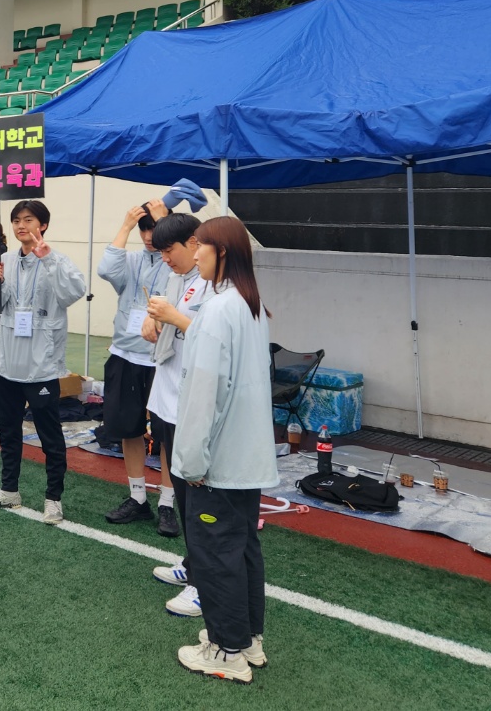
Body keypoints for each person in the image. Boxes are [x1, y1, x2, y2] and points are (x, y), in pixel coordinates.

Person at [171, 216, 277, 684]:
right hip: (246, 458)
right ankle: (246, 639)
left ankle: (226, 649)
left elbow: (204, 394)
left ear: (223, 253)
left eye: (202, 246)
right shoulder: (250, 306)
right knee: (242, 549)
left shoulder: (217, 311)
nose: (195, 254)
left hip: (220, 460)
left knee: (216, 555)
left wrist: (192, 462)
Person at [0, 200, 86, 525]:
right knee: (8, 431)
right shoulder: (5, 259)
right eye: (17, 220)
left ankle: (53, 498)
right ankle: (9, 490)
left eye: (29, 220)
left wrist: (47, 259)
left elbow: (73, 292)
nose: (21, 226)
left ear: (43, 225)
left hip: (41, 366)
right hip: (8, 363)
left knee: (50, 436)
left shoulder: (57, 259)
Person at [141, 213, 210, 617]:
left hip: (192, 400)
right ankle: (193, 562)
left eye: (170, 250)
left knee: (200, 495)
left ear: (195, 243)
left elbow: (214, 338)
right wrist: (152, 320)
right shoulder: (174, 278)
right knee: (183, 489)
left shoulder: (218, 284)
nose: (165, 258)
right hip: (168, 393)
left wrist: (172, 318)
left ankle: (205, 580)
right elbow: (164, 319)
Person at [96, 198, 173, 526]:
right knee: (129, 429)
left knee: (167, 434)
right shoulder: (130, 260)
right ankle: (138, 497)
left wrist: (167, 226)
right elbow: (105, 269)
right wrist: (126, 225)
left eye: (154, 228)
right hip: (125, 354)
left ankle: (168, 503)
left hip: (163, 359)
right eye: (144, 229)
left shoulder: (176, 262)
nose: (148, 235)